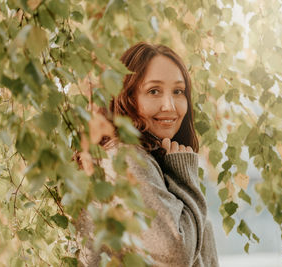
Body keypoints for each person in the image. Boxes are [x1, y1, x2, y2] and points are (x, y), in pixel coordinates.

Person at [77, 42, 219, 267]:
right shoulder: (125, 159)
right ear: (127, 97)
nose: (169, 105)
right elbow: (175, 254)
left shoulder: (151, 160)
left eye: (178, 91)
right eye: (154, 91)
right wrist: (185, 179)